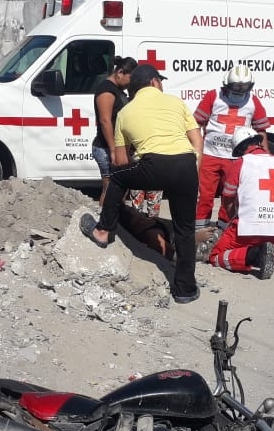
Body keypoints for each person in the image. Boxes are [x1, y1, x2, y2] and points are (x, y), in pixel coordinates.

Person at [80, 64, 203, 303]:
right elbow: (197, 141)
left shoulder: (125, 111)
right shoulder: (176, 103)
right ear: (155, 82)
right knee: (185, 229)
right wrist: (191, 170)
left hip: (153, 165)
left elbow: (120, 160)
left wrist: (140, 167)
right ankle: (184, 290)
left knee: (116, 177)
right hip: (187, 167)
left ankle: (103, 230)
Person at [208, 127, 274, 279]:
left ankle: (255, 256)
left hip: (248, 227)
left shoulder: (240, 163)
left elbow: (228, 200)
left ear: (240, 148)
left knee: (216, 256)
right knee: (272, 252)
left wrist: (231, 222)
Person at [193, 64, 270, 229]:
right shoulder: (213, 97)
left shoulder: (253, 101)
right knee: (205, 196)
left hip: (236, 159)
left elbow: (260, 130)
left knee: (231, 197)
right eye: (236, 86)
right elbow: (196, 123)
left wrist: (265, 157)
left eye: (244, 86)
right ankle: (199, 230)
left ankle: (224, 230)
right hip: (210, 155)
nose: (240, 89)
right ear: (226, 84)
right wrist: (196, 151)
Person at [92, 56, 136, 205]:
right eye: (130, 78)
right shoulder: (106, 90)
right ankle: (106, 222)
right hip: (106, 147)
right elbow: (105, 121)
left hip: (117, 148)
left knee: (119, 190)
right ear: (120, 72)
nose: (131, 83)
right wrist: (113, 150)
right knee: (110, 189)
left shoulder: (117, 90)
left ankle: (115, 222)